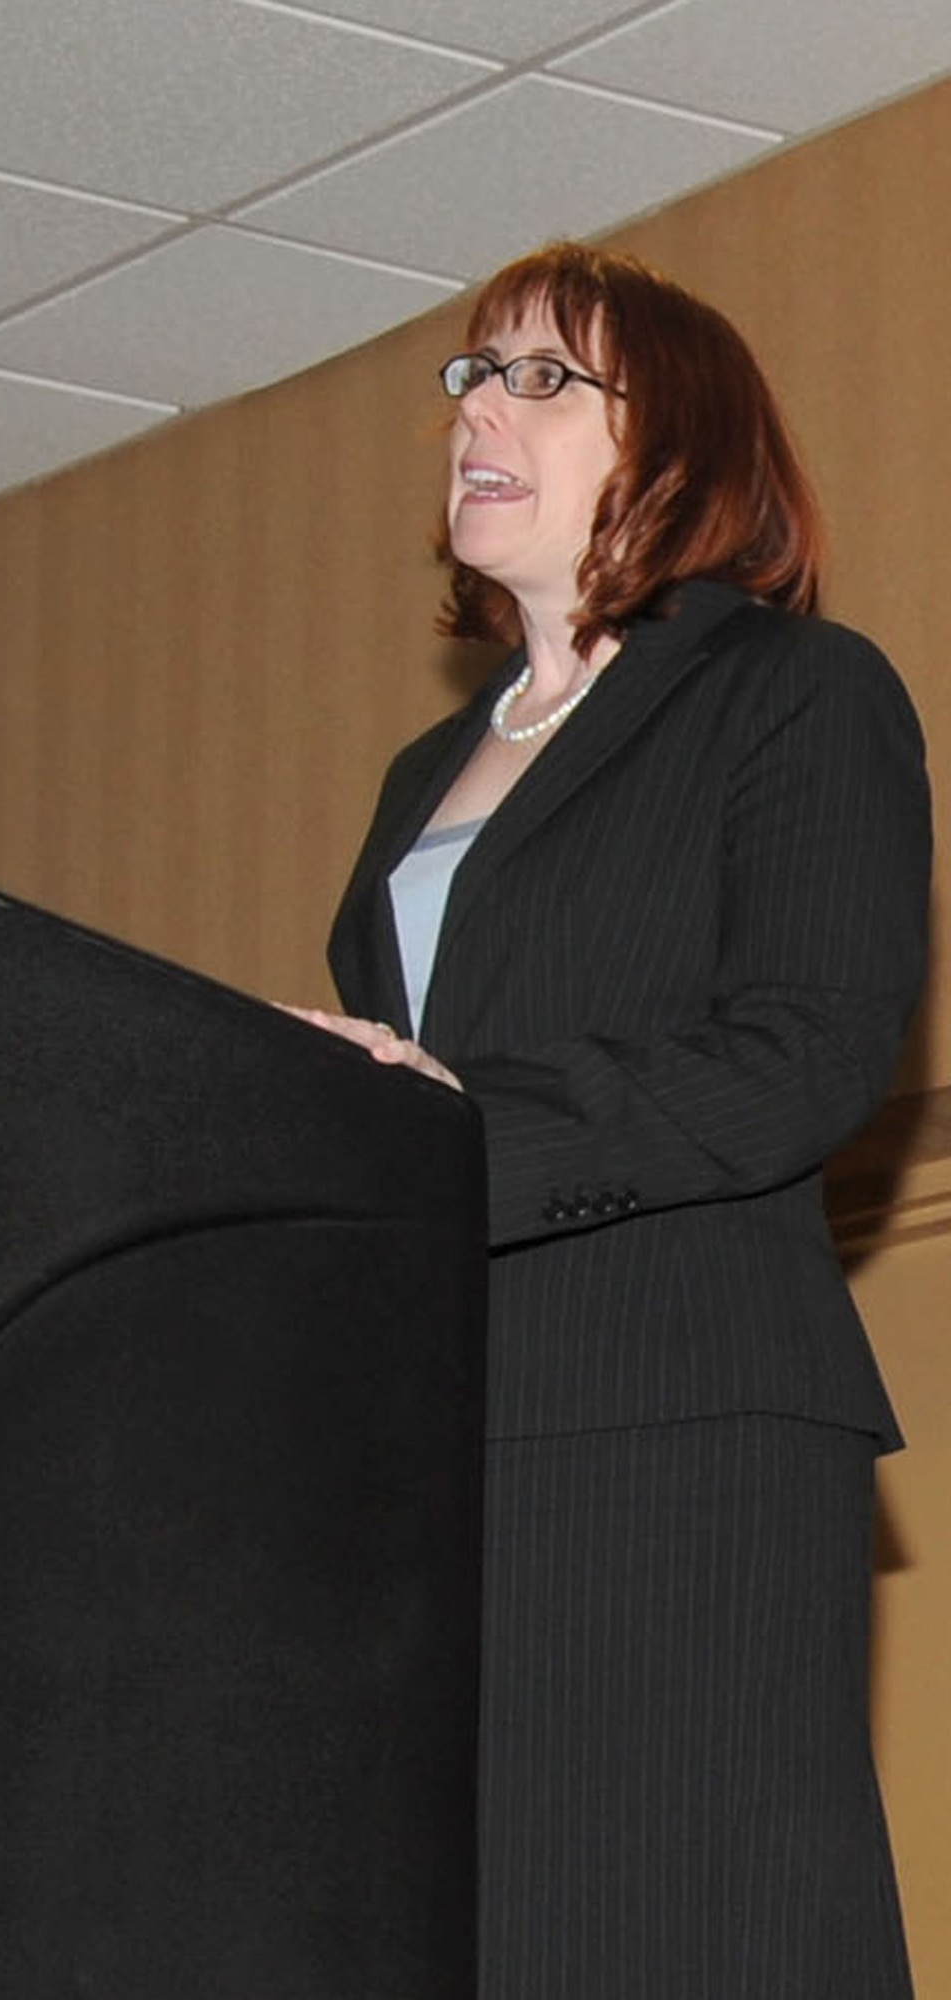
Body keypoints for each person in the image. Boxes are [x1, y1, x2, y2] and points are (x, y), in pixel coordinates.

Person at [290, 241, 931, 1997]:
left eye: (541, 378)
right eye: (470, 376)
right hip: (446, 1430)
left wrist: (454, 1127)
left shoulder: (794, 693)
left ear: (681, 447)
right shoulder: (426, 774)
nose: (478, 408)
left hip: (675, 1414)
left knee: (673, 1919)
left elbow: (801, 1053)